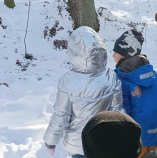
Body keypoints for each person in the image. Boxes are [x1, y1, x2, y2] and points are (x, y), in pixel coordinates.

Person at [43, 26, 123, 158]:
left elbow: (61, 115)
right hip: (103, 142)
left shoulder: (67, 82)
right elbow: (117, 112)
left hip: (78, 144)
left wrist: (50, 141)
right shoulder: (111, 77)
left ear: (74, 52)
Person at [112, 30, 157, 158]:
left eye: (116, 52)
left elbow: (124, 114)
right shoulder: (155, 76)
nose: (113, 55)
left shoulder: (122, 80)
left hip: (137, 143)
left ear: (126, 54)